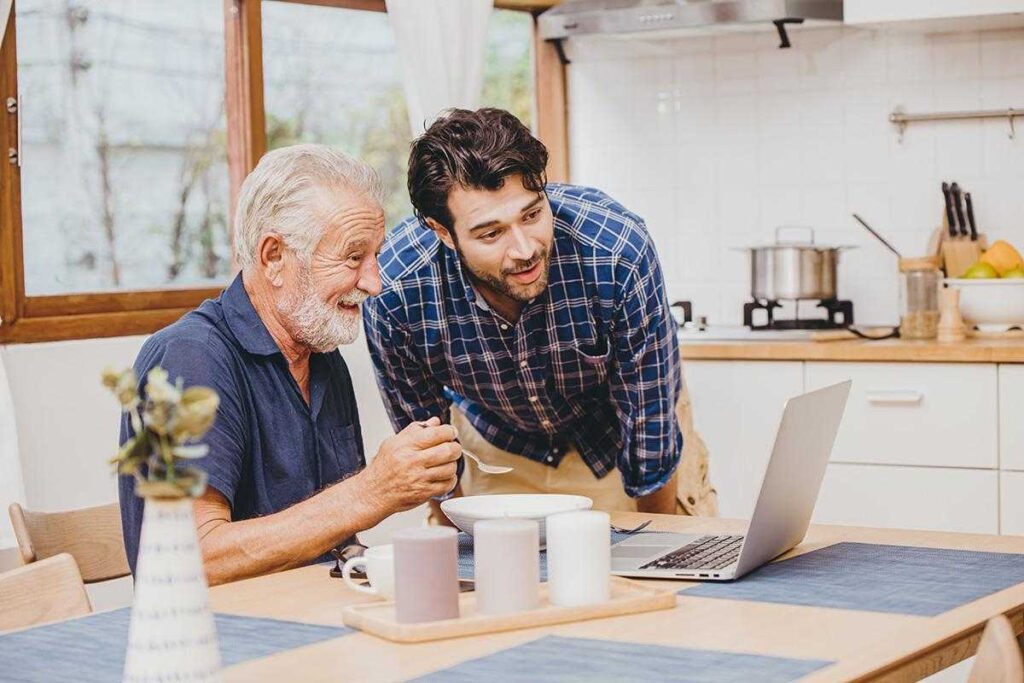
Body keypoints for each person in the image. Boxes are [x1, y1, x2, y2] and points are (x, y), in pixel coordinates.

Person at [119, 144, 461, 585]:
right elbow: (191, 560)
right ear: (274, 256)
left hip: (319, 620)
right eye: (354, 256)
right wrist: (373, 490)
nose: (374, 283)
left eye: (375, 255)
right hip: (232, 641)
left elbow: (334, 541)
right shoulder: (191, 358)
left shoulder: (321, 356)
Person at [364, 108, 716, 524]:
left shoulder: (617, 250)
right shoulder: (396, 290)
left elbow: (650, 426)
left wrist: (660, 549)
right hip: (499, 448)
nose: (524, 248)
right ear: (441, 231)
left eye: (532, 214)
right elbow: (427, 443)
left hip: (617, 437)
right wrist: (453, 545)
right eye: (491, 233)